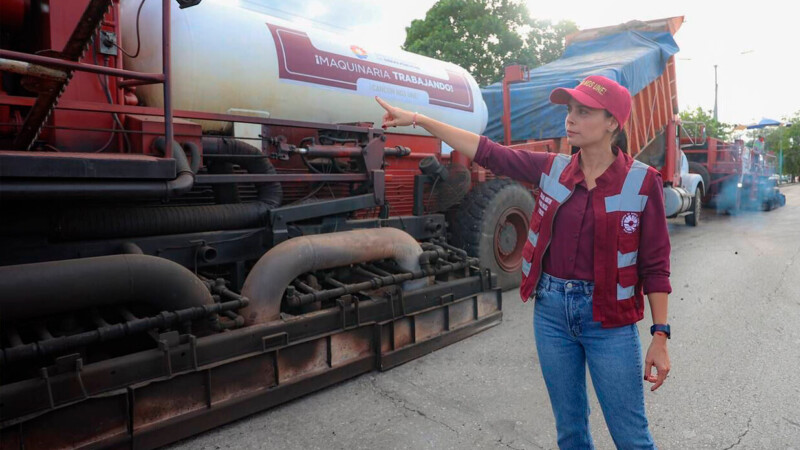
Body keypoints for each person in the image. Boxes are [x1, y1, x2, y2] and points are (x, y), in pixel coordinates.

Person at [375, 75, 671, 450]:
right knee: (570, 432)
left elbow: (655, 265)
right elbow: (488, 152)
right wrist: (420, 119)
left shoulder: (642, 183)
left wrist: (660, 336)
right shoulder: (551, 168)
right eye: (569, 110)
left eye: (583, 112)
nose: (570, 118)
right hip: (552, 314)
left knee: (631, 437)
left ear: (612, 122)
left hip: (610, 321)